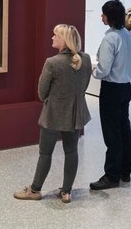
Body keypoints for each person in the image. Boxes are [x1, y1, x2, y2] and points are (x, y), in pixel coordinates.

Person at [14, 24, 92, 204]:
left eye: (55, 35)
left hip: (54, 114)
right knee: (71, 151)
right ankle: (66, 192)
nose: (52, 38)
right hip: (75, 114)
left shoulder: (52, 63)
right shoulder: (86, 59)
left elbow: (42, 93)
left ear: (64, 41)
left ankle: (34, 190)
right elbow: (84, 86)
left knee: (45, 153)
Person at [90, 0, 131, 191]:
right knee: (124, 128)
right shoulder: (128, 36)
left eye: (103, 14)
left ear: (109, 17)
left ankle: (111, 175)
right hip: (125, 87)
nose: (101, 17)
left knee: (112, 133)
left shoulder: (110, 38)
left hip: (111, 89)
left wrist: (93, 72)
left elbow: (104, 68)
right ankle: (125, 171)